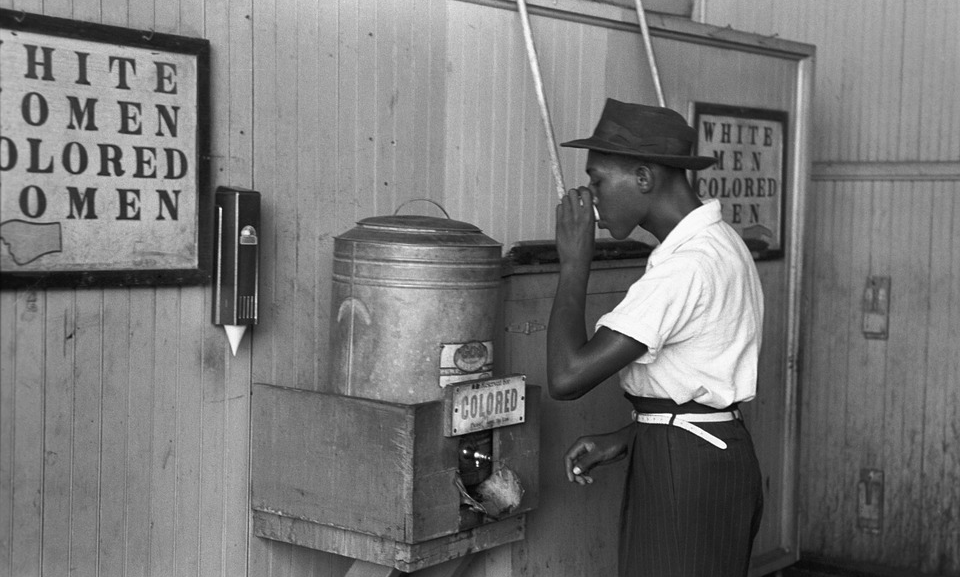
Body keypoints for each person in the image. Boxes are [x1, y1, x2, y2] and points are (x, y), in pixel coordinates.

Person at [546, 98, 764, 577]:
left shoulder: (688, 266)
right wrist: (631, 436)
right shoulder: (718, 243)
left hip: (686, 469)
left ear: (644, 177)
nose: (592, 198)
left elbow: (566, 376)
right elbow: (700, 382)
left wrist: (574, 264)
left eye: (597, 181)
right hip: (706, 451)